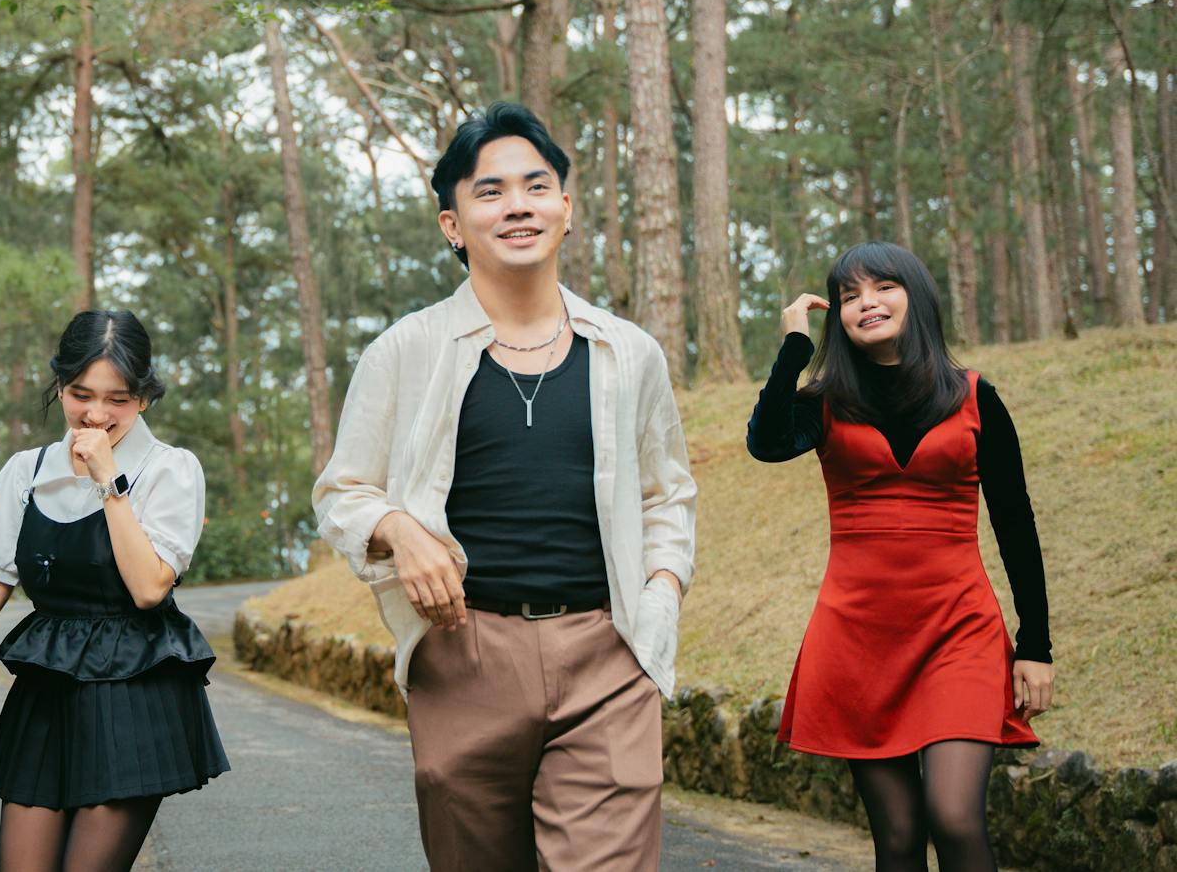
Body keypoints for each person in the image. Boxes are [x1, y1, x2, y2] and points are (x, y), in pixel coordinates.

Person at [313, 102, 697, 872]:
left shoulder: (628, 352)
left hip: (607, 650)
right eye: (489, 191)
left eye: (536, 185)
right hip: (464, 652)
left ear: (565, 206)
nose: (517, 204)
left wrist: (659, 595)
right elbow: (343, 491)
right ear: (452, 223)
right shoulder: (405, 350)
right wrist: (400, 527)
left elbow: (667, 495)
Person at [747, 241, 1053, 872]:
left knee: (956, 815)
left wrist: (1036, 644)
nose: (867, 304)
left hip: (957, 631)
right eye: (849, 296)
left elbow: (1015, 523)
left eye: (883, 287)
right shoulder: (825, 402)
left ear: (915, 294)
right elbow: (767, 443)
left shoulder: (974, 396)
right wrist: (794, 351)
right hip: (859, 638)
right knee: (900, 837)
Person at [0, 310, 227, 872]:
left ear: (144, 397)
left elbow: (148, 588)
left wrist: (108, 482)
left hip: (135, 694)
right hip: (46, 697)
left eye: (117, 399)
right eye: (80, 394)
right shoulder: (26, 472)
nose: (96, 414)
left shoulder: (173, 470)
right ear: (59, 386)